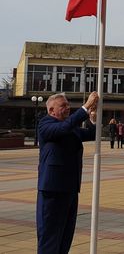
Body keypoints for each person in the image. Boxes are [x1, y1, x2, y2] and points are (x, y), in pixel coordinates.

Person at [36, 91, 98, 254]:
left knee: (65, 237)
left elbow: (91, 134)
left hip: (70, 189)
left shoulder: (71, 127)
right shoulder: (45, 124)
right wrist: (85, 107)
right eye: (63, 106)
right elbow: (63, 127)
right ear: (51, 110)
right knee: (49, 239)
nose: (68, 108)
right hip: (52, 191)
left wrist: (92, 118)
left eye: (68, 105)